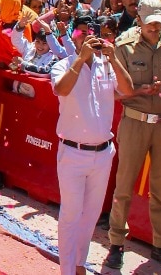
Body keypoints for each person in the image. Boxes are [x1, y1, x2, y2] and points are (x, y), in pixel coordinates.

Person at [104, 0, 161, 271]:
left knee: (160, 191)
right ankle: (116, 244)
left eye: (158, 23)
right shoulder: (125, 45)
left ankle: (160, 246)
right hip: (135, 122)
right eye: (149, 23)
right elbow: (112, 92)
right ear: (138, 19)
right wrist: (139, 91)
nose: (154, 28)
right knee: (124, 186)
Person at [50, 17, 135, 275]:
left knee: (91, 216)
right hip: (73, 152)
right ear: (73, 37)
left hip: (102, 153)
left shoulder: (106, 66)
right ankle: (66, 270)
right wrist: (80, 58)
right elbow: (61, 89)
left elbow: (128, 90)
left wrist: (114, 58)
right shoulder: (63, 65)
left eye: (91, 34)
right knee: (70, 215)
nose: (87, 37)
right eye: (81, 33)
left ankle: (79, 264)